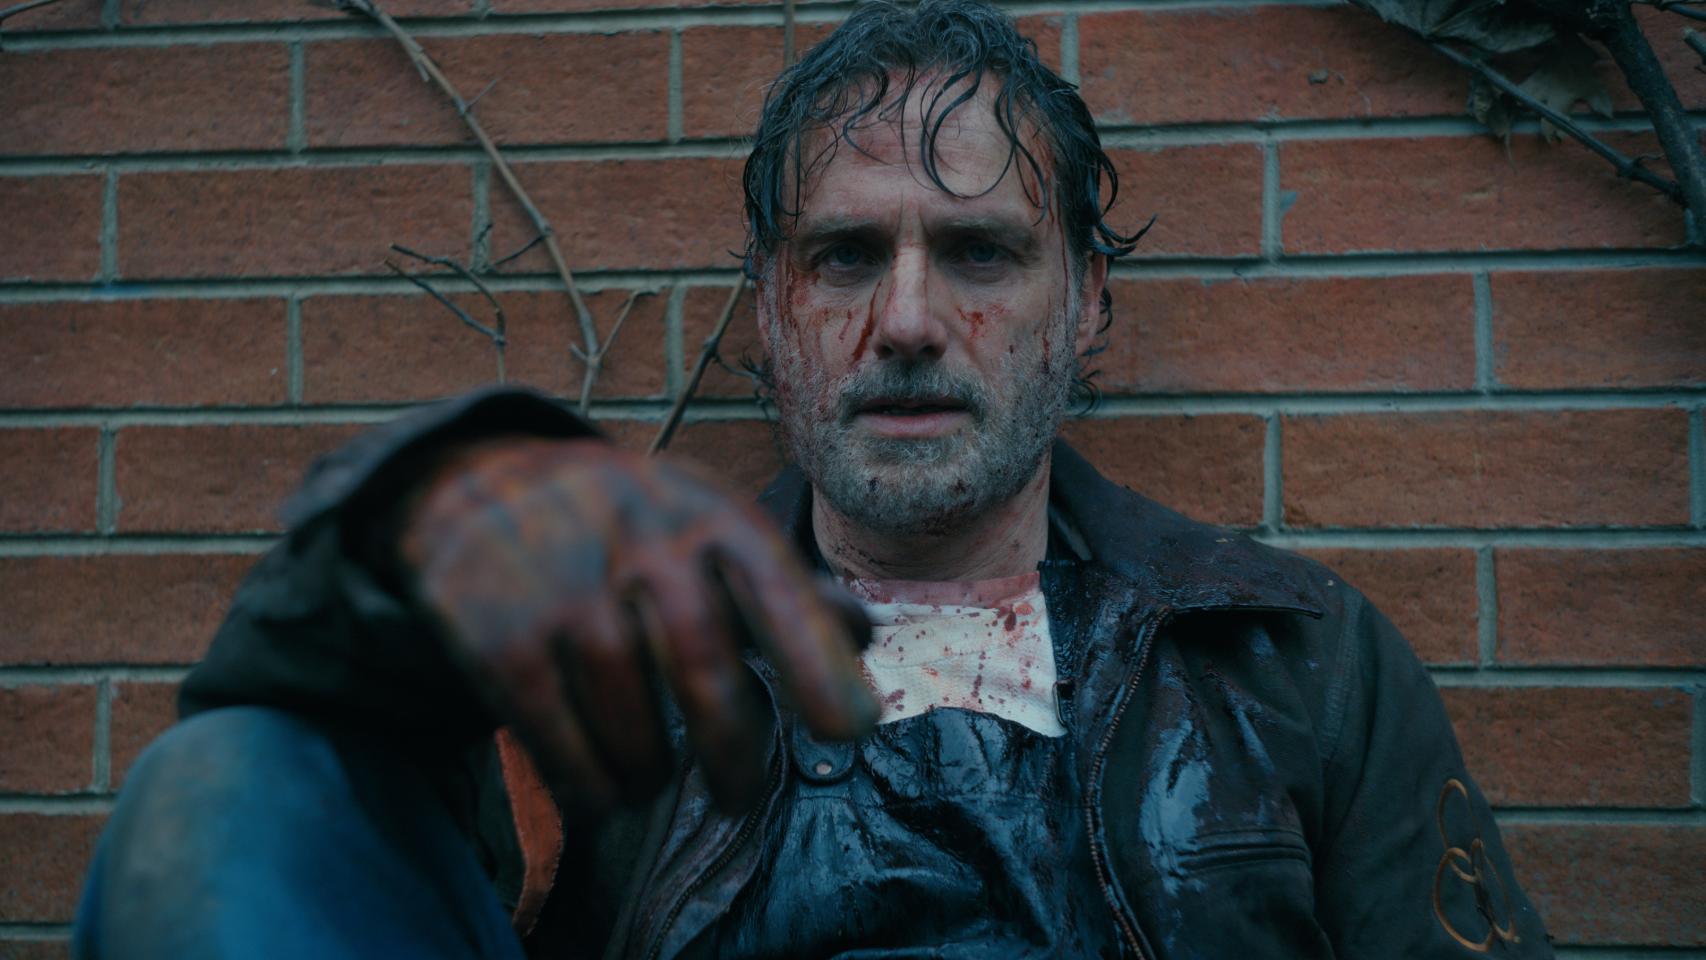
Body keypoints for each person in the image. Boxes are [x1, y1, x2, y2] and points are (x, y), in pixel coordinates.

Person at [74, 1, 1555, 957]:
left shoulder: (1297, 661)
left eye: (978, 253)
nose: (905, 320)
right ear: (771, 313)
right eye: (844, 255)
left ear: (1085, 304)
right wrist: (394, 571)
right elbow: (304, 847)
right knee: (225, 786)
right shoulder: (603, 645)